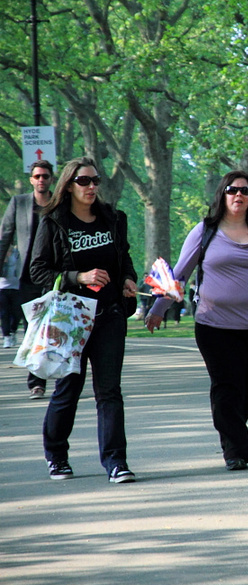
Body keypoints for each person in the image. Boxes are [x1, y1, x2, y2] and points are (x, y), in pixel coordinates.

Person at [146, 170, 248, 471]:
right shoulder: (205, 231)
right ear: (222, 195)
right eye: (232, 190)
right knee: (226, 385)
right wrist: (158, 308)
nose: (238, 195)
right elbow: (180, 273)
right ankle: (235, 449)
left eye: (245, 190)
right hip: (215, 324)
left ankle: (232, 434)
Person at [29, 156, 138, 483]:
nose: (91, 187)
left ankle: (116, 462)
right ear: (69, 185)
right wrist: (79, 275)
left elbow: (125, 259)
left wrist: (128, 280)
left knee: (109, 392)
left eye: (95, 181)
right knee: (68, 388)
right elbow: (38, 271)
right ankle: (56, 455)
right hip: (70, 318)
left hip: (109, 315)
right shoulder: (54, 222)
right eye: (83, 181)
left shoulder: (113, 219)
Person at [0, 160, 54, 399]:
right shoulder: (19, 203)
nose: (41, 180)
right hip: (28, 277)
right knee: (33, 329)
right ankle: (36, 382)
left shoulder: (59, 202)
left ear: (51, 179)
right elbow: (5, 236)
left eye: (45, 176)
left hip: (55, 276)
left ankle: (64, 377)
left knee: (54, 327)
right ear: (31, 179)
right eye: (37, 176)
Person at [1, 247, 22, 348]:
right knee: (4, 314)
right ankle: (7, 337)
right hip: (2, 287)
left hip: (16, 286)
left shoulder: (17, 252)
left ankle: (13, 331)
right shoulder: (1, 251)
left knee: (17, 313)